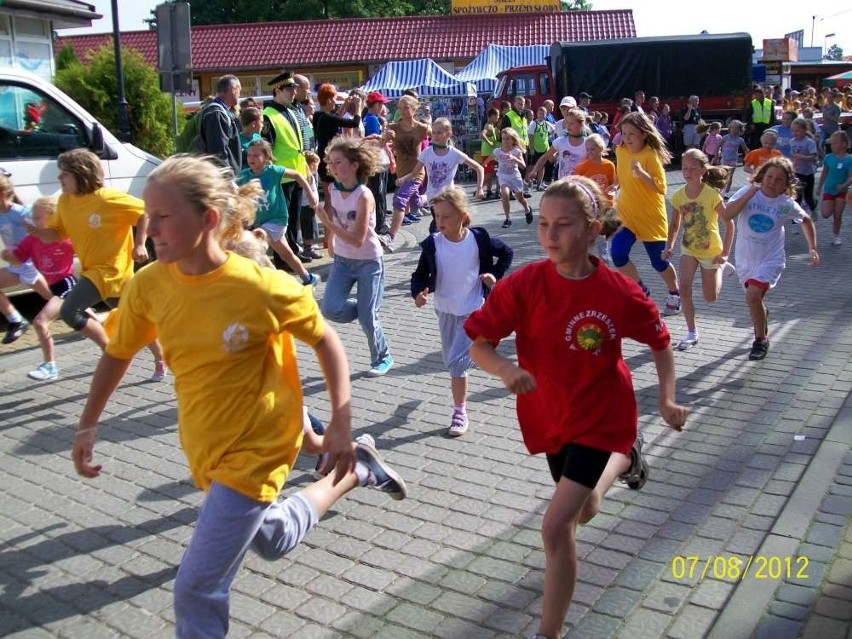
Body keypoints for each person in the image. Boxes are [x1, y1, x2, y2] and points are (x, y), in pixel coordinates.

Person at [71, 154, 407, 639]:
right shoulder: (148, 285)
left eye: (163, 216)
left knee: (195, 588)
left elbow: (326, 340)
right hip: (207, 444)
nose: (151, 228)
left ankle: (351, 460)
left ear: (208, 220)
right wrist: (87, 423)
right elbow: (118, 351)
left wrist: (339, 421)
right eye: (149, 214)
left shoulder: (258, 287)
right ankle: (356, 471)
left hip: (260, 445)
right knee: (271, 538)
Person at [464, 176, 687, 639]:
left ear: (591, 229)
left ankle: (549, 632)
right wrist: (504, 371)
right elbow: (480, 345)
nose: (549, 235)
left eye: (563, 225)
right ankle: (626, 457)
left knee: (555, 526)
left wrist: (666, 397)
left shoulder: (618, 292)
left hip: (603, 414)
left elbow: (661, 344)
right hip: (550, 416)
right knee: (584, 510)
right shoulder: (525, 283)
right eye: (544, 224)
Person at [25, 149, 166, 380]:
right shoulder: (65, 201)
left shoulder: (107, 199)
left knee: (70, 310)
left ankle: (111, 352)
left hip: (112, 271)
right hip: (94, 270)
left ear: (81, 174)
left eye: (64, 175)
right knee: (138, 321)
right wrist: (39, 232)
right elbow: (57, 234)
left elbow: (145, 214)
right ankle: (160, 359)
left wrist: (140, 244)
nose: (59, 179)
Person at [410, 186, 513, 436]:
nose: (440, 222)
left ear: (463, 216)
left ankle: (459, 411)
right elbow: (419, 275)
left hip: (473, 308)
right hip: (445, 310)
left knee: (456, 365)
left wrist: (494, 276)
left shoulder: (478, 239)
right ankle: (480, 352)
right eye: (436, 216)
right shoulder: (433, 245)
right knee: (452, 362)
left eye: (446, 217)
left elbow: (507, 253)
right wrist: (419, 293)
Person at [722, 157, 819, 360]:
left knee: (752, 296)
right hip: (745, 259)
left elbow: (806, 220)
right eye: (769, 177)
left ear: (786, 184)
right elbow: (727, 215)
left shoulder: (786, 204)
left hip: (770, 260)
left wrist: (812, 248)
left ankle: (760, 340)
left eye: (779, 180)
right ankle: (763, 317)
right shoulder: (747, 193)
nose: (772, 183)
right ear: (761, 176)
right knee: (755, 299)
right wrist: (750, 192)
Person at [316, 137, 394, 378]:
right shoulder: (332, 189)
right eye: (331, 163)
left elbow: (357, 239)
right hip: (342, 261)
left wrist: (328, 225)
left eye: (338, 162)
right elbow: (335, 217)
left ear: (354, 165)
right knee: (330, 309)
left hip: (369, 261)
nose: (333, 167)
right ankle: (365, 309)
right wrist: (329, 239)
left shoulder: (364, 195)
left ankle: (383, 356)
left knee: (368, 318)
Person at [663, 149, 735, 351]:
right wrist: (669, 247)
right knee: (684, 289)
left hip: (711, 250)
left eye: (693, 168)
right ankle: (691, 331)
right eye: (684, 168)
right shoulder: (677, 196)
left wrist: (726, 253)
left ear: (703, 169)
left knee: (710, 298)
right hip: (689, 249)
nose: (687, 172)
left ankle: (720, 268)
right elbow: (674, 225)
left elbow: (729, 225)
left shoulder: (712, 195)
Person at [610, 112, 681, 315]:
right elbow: (622, 177)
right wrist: (615, 186)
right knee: (618, 253)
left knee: (659, 262)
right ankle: (640, 289)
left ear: (643, 134)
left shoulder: (650, 155)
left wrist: (642, 174)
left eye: (632, 134)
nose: (627, 138)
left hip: (650, 217)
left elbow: (661, 189)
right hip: (627, 215)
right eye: (624, 133)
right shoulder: (621, 151)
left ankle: (674, 293)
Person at [2, 197, 76, 379]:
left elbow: (65, 241)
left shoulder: (64, 235)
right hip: (53, 286)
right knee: (90, 326)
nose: (33, 221)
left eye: (38, 217)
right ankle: (112, 341)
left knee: (40, 322)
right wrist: (9, 257)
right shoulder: (31, 241)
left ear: (52, 217)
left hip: (67, 284)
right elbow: (18, 260)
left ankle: (50, 366)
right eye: (33, 217)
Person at [238, 139, 320, 286]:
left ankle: (278, 283)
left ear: (267, 157)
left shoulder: (273, 171)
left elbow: (297, 175)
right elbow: (233, 189)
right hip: (261, 221)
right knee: (286, 254)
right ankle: (308, 278)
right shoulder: (244, 175)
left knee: (255, 242)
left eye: (256, 155)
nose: (251, 159)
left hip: (277, 219)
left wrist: (310, 194)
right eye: (249, 155)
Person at [262, 71, 310, 258]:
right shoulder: (268, 115)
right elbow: (268, 150)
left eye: (294, 89)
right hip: (281, 177)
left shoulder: (290, 110)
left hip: (296, 173)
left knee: (294, 216)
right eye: (289, 89)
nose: (293, 93)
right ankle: (283, 258)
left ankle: (293, 252)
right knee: (284, 220)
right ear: (277, 90)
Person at [397, 117, 484, 215]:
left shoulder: (454, 153)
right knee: (438, 226)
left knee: (442, 226)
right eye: (433, 133)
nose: (435, 136)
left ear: (448, 134)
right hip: (433, 200)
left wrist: (479, 188)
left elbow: (479, 168)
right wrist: (403, 179)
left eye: (439, 133)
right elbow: (414, 173)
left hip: (448, 199)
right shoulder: (427, 152)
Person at [0, 175, 51, 343]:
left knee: (53, 298)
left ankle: (87, 316)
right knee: (53, 298)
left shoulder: (22, 213)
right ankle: (16, 321)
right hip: (17, 265)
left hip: (29, 266)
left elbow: (43, 231)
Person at [388, 95, 431, 242]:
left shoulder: (422, 128)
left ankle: (390, 236)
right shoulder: (393, 128)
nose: (402, 110)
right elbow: (381, 144)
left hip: (417, 171)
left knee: (400, 200)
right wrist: (384, 138)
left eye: (406, 107)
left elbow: (440, 137)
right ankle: (431, 195)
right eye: (400, 107)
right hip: (402, 171)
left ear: (414, 109)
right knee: (416, 203)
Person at [313, 84, 363, 206]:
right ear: (329, 99)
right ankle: (329, 225)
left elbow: (336, 117)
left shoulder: (318, 115)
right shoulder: (327, 117)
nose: (336, 101)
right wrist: (358, 107)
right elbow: (355, 123)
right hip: (329, 160)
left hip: (323, 159)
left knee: (330, 199)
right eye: (335, 98)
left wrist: (346, 104)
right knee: (331, 200)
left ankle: (328, 225)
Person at [573, 134, 617, 263]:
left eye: (593, 149)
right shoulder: (582, 167)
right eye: (588, 149)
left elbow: (613, 183)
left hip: (606, 205)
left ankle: (605, 262)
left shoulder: (609, 165)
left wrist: (614, 188)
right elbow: (577, 185)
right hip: (590, 206)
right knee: (589, 234)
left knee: (602, 236)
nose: (590, 152)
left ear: (600, 149)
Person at [484, 128, 533, 229]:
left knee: (520, 198)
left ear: (513, 140)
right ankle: (507, 219)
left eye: (507, 139)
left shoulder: (516, 151)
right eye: (503, 139)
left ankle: (527, 209)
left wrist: (515, 158)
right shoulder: (497, 151)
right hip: (503, 176)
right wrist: (483, 165)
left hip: (514, 176)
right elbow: (488, 160)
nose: (505, 141)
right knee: (505, 195)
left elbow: (523, 166)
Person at [196, 75, 242, 175]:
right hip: (221, 177)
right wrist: (227, 178)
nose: (239, 95)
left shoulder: (220, 112)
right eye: (239, 90)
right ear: (233, 89)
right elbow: (219, 151)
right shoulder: (216, 113)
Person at [816, 131, 852, 246]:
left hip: (842, 192)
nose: (832, 146)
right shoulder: (828, 158)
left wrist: (844, 185)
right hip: (829, 190)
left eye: (835, 143)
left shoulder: (849, 159)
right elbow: (824, 174)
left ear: (844, 144)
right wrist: (819, 187)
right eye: (831, 144)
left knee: (838, 215)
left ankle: (835, 236)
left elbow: (851, 177)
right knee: (825, 214)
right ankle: (828, 206)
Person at [790, 116, 819, 214]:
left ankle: (813, 204)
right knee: (797, 196)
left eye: (797, 131)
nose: (795, 133)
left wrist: (802, 157)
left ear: (804, 130)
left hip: (808, 173)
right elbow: (792, 156)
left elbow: (814, 158)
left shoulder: (809, 142)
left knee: (808, 198)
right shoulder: (791, 141)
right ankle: (797, 217)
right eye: (793, 131)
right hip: (797, 172)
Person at [300, 150, 323, 260]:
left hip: (308, 205)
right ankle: (308, 248)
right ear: (312, 165)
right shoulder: (306, 177)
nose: (317, 168)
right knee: (309, 227)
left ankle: (307, 245)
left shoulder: (307, 176)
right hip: (307, 205)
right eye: (317, 165)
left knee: (307, 227)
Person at [718, 120, 750, 196]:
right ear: (730, 128)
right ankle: (722, 189)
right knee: (723, 175)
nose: (734, 129)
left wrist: (748, 158)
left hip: (733, 160)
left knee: (730, 176)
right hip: (725, 159)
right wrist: (716, 156)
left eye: (736, 128)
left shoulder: (740, 140)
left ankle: (726, 192)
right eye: (732, 127)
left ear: (739, 130)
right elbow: (718, 146)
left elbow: (746, 150)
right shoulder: (725, 138)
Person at [528, 107, 556, 190]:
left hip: (545, 149)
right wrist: (531, 148)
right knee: (534, 167)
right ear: (537, 114)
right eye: (540, 113)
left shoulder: (547, 123)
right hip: (536, 149)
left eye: (544, 113)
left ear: (546, 114)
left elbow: (554, 129)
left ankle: (539, 185)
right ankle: (530, 184)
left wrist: (549, 135)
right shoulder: (534, 123)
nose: (542, 115)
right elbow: (530, 136)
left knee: (542, 166)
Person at [746, 86, 776, 150]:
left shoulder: (769, 102)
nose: (756, 96)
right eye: (755, 94)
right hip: (756, 125)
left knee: (766, 140)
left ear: (762, 94)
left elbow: (772, 115)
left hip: (766, 125)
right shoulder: (753, 103)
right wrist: (751, 124)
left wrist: (772, 125)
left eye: (758, 94)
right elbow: (748, 115)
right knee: (756, 142)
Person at [480, 107, 500, 199]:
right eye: (497, 116)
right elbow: (482, 135)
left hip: (491, 153)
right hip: (487, 153)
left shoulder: (493, 126)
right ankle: (478, 189)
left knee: (491, 174)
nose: (498, 117)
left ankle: (488, 191)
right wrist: (489, 142)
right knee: (488, 174)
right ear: (492, 116)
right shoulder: (488, 126)